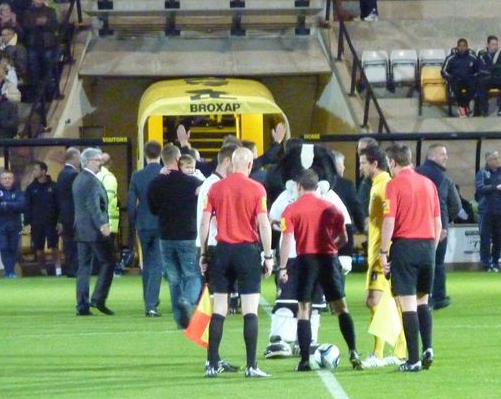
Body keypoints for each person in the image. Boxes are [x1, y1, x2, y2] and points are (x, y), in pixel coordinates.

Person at [200, 147, 274, 378]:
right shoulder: (257, 189)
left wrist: (203, 253)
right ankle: (251, 365)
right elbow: (263, 223)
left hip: (221, 251)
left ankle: (212, 363)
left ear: (231, 163)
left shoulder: (216, 187)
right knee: (249, 309)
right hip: (246, 251)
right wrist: (269, 255)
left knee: (219, 308)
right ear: (250, 165)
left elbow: (204, 223)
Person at [278, 169, 363, 371]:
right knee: (341, 307)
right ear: (317, 187)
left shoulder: (291, 210)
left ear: (299, 187)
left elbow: (287, 239)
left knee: (304, 309)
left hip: (306, 260)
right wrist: (332, 246)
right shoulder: (331, 208)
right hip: (329, 259)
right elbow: (344, 238)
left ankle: (305, 360)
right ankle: (353, 352)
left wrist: (282, 267)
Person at [379, 144, 441, 372]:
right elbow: (438, 223)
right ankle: (428, 348)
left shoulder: (393, 185)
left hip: (405, 246)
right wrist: (430, 249)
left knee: (407, 304)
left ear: (393, 162)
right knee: (423, 300)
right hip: (427, 246)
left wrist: (384, 251)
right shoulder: (428, 184)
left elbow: (389, 221)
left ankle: (413, 359)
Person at [358, 144, 405, 367]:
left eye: (363, 163)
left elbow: (390, 219)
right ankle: (397, 350)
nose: (360, 167)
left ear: (374, 164)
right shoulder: (376, 185)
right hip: (375, 251)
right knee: (386, 300)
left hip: (381, 253)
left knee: (376, 300)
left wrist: (385, 251)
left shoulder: (385, 185)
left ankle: (381, 353)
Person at [147, 143, 203, 329]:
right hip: (187, 235)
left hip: (165, 235)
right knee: (192, 274)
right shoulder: (193, 183)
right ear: (178, 159)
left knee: (174, 277)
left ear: (163, 159)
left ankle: (181, 320)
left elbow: (153, 210)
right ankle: (186, 300)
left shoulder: (155, 183)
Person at [415, 143, 460, 309]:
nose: (446, 157)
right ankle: (438, 297)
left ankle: (416, 297)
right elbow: (456, 205)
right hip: (438, 227)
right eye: (443, 154)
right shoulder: (444, 179)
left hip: (416, 227)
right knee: (438, 264)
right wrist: (446, 222)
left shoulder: (414, 174)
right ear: (431, 156)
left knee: (417, 264)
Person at [72, 147, 116, 316]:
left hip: (81, 230)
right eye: (97, 160)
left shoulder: (79, 178)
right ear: (88, 161)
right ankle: (98, 298)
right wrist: (102, 225)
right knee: (109, 261)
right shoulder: (90, 180)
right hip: (93, 230)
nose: (100, 162)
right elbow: (93, 206)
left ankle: (82, 305)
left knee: (83, 268)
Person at [127, 140, 163, 317]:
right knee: (157, 263)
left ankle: (148, 299)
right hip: (161, 224)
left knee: (147, 262)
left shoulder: (137, 176)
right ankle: (151, 304)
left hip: (143, 224)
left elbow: (131, 203)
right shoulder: (165, 175)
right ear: (160, 154)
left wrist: (134, 222)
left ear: (145, 154)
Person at [475, 150, 501, 272]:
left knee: (499, 238)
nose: (497, 160)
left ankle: (495, 261)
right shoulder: (482, 173)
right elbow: (480, 188)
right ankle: (486, 264)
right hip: (486, 211)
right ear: (488, 160)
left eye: (498, 157)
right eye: (494, 158)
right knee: (485, 238)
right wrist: (495, 187)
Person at [24, 161, 61, 276]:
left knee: (54, 247)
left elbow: (59, 205)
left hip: (51, 222)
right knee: (39, 250)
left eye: (36, 169)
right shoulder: (31, 188)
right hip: (37, 223)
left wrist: (60, 221)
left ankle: (58, 271)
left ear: (43, 171)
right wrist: (27, 222)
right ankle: (43, 272)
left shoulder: (54, 186)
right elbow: (27, 206)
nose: (34, 172)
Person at [0, 170, 25, 278]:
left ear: (13, 180)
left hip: (14, 226)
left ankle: (9, 272)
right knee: (4, 248)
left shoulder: (18, 192)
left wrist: (6, 204)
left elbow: (22, 206)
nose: (7, 180)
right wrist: (12, 205)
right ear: (1, 180)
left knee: (13, 249)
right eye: (5, 178)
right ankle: (9, 271)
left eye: (9, 178)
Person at [331, 149, 365, 258]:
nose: (344, 168)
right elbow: (356, 210)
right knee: (342, 267)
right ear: (336, 166)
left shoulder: (316, 184)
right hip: (343, 234)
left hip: (321, 235)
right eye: (342, 165)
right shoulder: (347, 185)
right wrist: (361, 228)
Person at [56, 147, 80, 277]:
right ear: (75, 158)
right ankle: (75, 269)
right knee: (75, 243)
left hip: (65, 215)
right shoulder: (73, 174)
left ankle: (70, 268)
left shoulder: (61, 174)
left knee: (67, 243)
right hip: (74, 215)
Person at [441, 38, 479, 116]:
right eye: (460, 46)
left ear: (467, 47)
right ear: (457, 47)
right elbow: (443, 71)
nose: (462, 48)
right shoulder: (451, 58)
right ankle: (464, 108)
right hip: (456, 80)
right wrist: (450, 78)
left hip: (469, 80)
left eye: (464, 46)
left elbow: (478, 70)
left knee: (474, 87)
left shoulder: (473, 57)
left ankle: (463, 107)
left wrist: (474, 77)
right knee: (455, 89)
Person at [476, 35, 501, 117]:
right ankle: (484, 109)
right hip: (486, 79)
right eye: (493, 44)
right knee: (480, 85)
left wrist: (492, 68)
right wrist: (495, 68)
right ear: (487, 45)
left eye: (496, 44)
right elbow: (482, 68)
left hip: (498, 79)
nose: (495, 46)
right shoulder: (482, 55)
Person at [355, 135, 377, 224]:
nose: (360, 153)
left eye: (363, 151)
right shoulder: (362, 168)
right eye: (359, 151)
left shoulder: (381, 174)